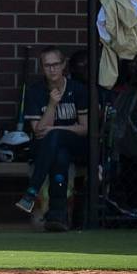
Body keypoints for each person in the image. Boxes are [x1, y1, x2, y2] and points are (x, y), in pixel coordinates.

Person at [14, 47, 89, 231]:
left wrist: (56, 128)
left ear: (63, 65)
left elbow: (84, 129)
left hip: (76, 144)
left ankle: (32, 191)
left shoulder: (77, 90)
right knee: (60, 156)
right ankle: (58, 215)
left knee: (56, 138)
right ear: (42, 68)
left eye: (56, 64)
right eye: (47, 65)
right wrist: (52, 105)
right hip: (46, 147)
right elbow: (39, 132)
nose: (52, 69)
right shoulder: (36, 91)